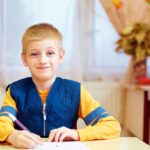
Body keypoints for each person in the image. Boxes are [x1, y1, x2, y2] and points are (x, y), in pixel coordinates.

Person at [0, 23, 121, 149]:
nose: (43, 60)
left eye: (50, 53)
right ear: (24, 59)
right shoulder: (15, 91)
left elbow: (112, 126)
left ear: (61, 56)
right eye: (34, 54)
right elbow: (2, 122)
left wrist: (77, 134)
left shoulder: (75, 91)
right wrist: (12, 135)